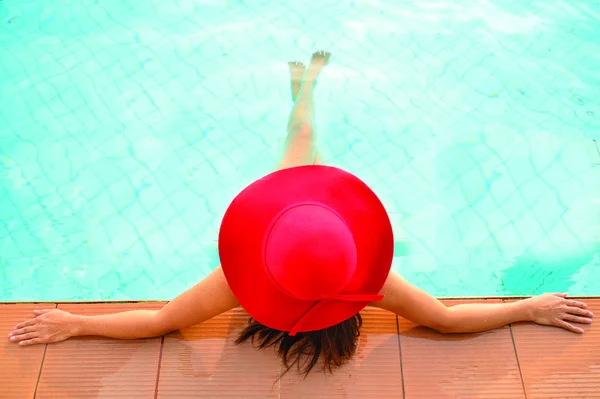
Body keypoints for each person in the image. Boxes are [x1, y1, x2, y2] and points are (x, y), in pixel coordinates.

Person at [8, 51, 594, 378]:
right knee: (307, 130)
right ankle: (306, 86)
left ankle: (305, 89)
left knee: (303, 136)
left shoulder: (233, 282)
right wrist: (526, 307)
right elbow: (442, 318)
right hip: (309, 224)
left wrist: (79, 323)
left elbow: (162, 320)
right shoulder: (374, 281)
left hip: (294, 219)